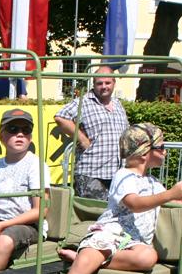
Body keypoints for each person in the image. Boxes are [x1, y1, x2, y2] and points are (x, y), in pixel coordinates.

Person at [55, 123, 182, 274]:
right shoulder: (124, 176)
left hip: (135, 241)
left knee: (148, 258)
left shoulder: (153, 183)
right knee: (83, 265)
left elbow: (172, 204)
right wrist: (171, 194)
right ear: (144, 153)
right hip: (112, 233)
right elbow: (134, 203)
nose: (165, 152)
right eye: (162, 147)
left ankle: (89, 258)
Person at [0, 109, 52, 274]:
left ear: (30, 137)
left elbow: (41, 211)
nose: (20, 134)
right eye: (13, 130)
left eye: (25, 130)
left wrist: (1, 226)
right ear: (1, 137)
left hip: (28, 226)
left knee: (5, 239)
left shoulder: (36, 166)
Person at [54, 66, 130, 200]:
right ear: (93, 84)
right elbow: (60, 117)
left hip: (116, 173)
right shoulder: (83, 102)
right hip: (91, 172)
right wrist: (82, 139)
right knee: (92, 216)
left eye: (107, 83)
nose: (104, 86)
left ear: (114, 83)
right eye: (99, 83)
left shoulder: (118, 104)